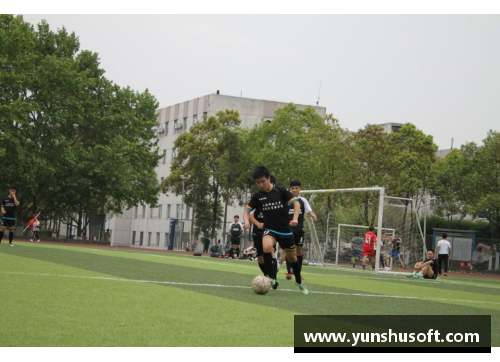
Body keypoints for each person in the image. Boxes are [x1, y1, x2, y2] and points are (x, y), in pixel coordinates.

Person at [243, 166, 308, 294]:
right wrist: (246, 222)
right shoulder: (258, 196)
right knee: (267, 246)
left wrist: (295, 218)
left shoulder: (281, 190)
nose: (260, 185)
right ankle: (271, 277)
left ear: (268, 179)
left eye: (263, 181)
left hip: (285, 230)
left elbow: (296, 203)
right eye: (258, 183)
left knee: (292, 258)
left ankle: (298, 281)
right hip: (270, 229)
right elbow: (247, 211)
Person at [281, 179, 317, 280]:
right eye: (292, 188)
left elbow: (309, 210)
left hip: (299, 229)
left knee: (299, 251)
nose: (294, 190)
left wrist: (312, 214)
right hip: (288, 229)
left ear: (300, 189)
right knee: (289, 250)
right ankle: (289, 272)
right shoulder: (285, 200)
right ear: (289, 189)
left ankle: (298, 273)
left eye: (296, 188)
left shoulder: (303, 200)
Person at [248, 174, 278, 278]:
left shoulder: (276, 199)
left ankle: (274, 278)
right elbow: (248, 213)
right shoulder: (258, 197)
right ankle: (267, 274)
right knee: (260, 257)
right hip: (258, 230)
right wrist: (257, 223)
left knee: (271, 252)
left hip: (270, 230)